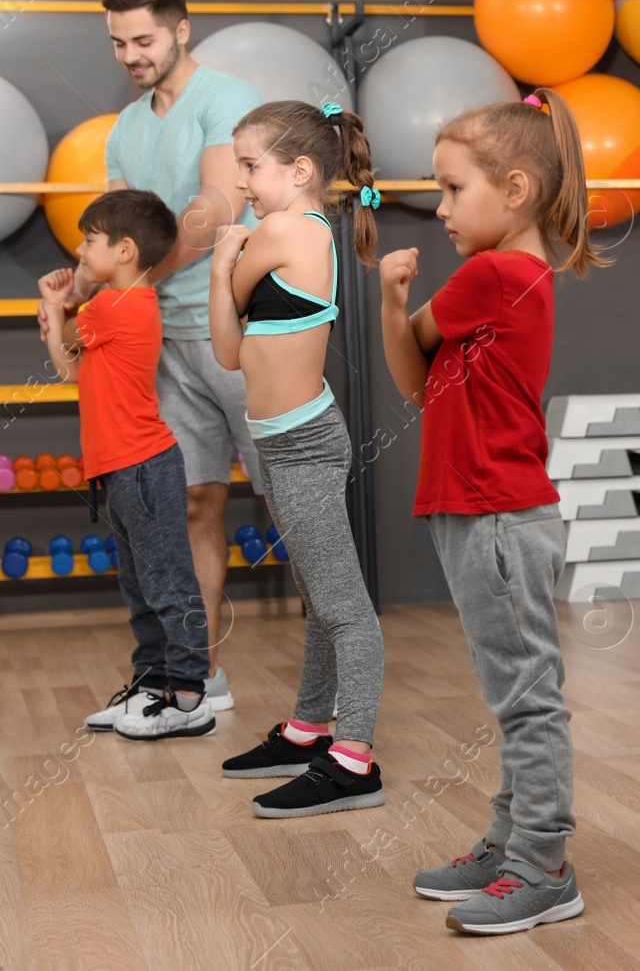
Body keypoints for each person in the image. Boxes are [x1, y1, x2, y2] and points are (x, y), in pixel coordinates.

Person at [380, 92, 595, 935]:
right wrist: (397, 303)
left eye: (451, 188)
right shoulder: (500, 276)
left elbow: (408, 364)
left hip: (497, 516)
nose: (439, 208)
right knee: (515, 692)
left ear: (513, 189)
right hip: (478, 513)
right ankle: (512, 839)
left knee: (527, 700)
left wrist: (400, 307)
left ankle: (542, 865)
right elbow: (414, 379)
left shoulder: (497, 274)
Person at [48, 0, 265, 711]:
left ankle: (336, 685)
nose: (132, 55)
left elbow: (210, 208)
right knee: (193, 507)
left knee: (295, 505)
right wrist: (77, 288)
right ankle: (194, 676)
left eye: (143, 39)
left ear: (181, 29)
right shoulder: (127, 127)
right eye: (118, 43)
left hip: (236, 330)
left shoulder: (226, 100)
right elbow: (113, 236)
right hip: (163, 345)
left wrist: (129, 274)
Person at [209, 100, 384, 819]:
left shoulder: (287, 229)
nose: (241, 180)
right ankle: (311, 729)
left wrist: (224, 260)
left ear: (301, 170)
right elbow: (228, 354)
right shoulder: (283, 227)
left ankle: (354, 759)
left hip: (305, 443)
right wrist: (226, 265)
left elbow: (227, 311)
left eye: (251, 165)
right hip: (277, 441)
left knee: (344, 608)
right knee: (318, 598)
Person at [41, 191, 213, 740]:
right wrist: (62, 312)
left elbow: (66, 343)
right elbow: (71, 368)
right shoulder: (119, 306)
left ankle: (188, 698)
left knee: (167, 582)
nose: (79, 248)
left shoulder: (117, 305)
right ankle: (150, 685)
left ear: (125, 250)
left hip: (141, 467)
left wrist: (58, 305)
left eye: (90, 240)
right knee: (141, 586)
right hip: (126, 469)